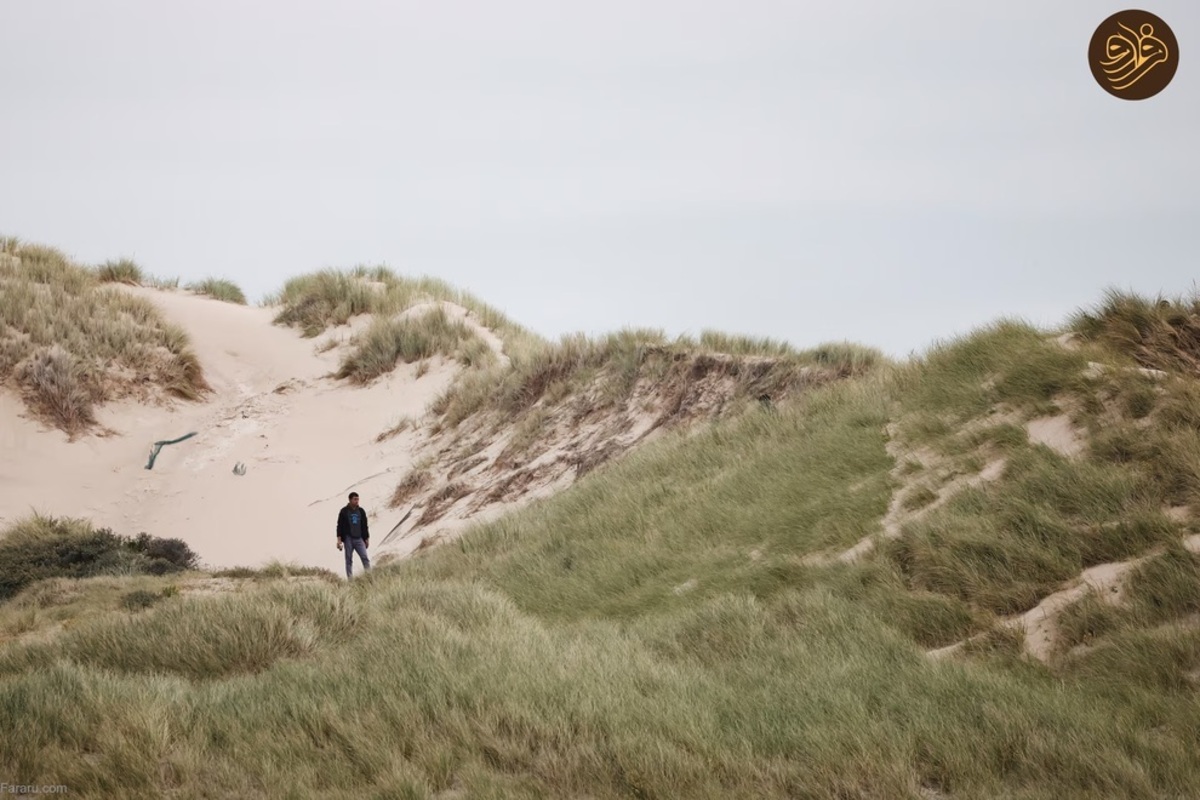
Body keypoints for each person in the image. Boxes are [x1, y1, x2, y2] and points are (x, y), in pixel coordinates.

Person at [336, 491, 370, 578]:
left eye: (358, 499)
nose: (357, 501)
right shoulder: (344, 511)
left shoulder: (361, 511)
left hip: (359, 538)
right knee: (348, 560)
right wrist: (339, 540)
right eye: (355, 499)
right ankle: (350, 580)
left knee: (365, 557)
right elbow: (339, 525)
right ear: (350, 500)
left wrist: (366, 538)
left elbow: (365, 525)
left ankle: (369, 576)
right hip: (348, 539)